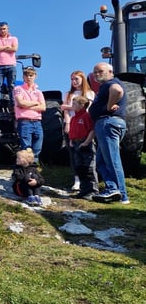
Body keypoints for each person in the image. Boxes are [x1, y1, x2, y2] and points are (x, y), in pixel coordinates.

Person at [88, 62, 130, 204]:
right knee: (101, 161)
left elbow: (117, 90)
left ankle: (122, 195)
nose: (96, 74)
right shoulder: (105, 85)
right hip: (107, 124)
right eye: (95, 72)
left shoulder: (111, 83)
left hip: (107, 123)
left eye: (100, 71)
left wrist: (108, 105)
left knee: (112, 160)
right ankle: (112, 189)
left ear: (110, 71)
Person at [61, 70, 96, 191]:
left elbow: (86, 108)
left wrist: (67, 106)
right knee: (73, 153)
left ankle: (90, 181)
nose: (74, 81)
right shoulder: (68, 94)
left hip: (84, 124)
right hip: (71, 123)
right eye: (72, 79)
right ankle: (77, 179)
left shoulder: (90, 93)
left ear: (82, 79)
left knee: (87, 153)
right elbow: (65, 110)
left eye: (76, 79)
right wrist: (68, 123)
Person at [68, 95, 98, 200]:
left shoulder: (86, 116)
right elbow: (72, 131)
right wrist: (71, 140)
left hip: (85, 143)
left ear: (82, 105)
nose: (72, 106)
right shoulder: (74, 118)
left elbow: (92, 130)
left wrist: (86, 142)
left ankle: (93, 190)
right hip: (76, 144)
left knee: (89, 167)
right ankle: (84, 189)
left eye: (74, 104)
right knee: (80, 167)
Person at [13, 66, 45, 160]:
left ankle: (33, 168)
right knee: (26, 148)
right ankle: (26, 168)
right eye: (26, 75)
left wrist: (27, 106)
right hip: (25, 121)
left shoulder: (38, 92)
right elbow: (21, 103)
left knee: (37, 147)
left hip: (37, 122)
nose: (29, 77)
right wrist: (35, 103)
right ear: (23, 77)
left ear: (35, 76)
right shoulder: (18, 89)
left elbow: (43, 107)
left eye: (31, 75)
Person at [0, 21, 18, 114]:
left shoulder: (14, 38)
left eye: (4, 28)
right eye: (1, 29)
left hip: (11, 66)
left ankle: (14, 106)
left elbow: (14, 48)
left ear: (8, 29)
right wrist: (7, 47)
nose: (2, 30)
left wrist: (1, 47)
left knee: (12, 87)